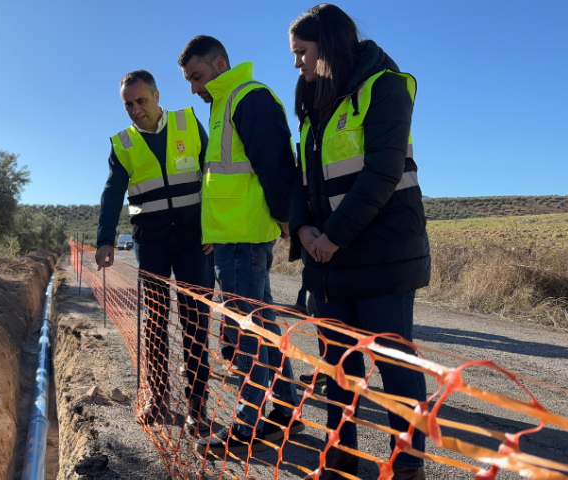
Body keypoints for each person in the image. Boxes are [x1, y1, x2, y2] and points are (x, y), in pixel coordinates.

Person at [288, 5, 430, 479]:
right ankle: (339, 458)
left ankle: (407, 465)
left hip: (382, 254)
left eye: (302, 53)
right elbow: (303, 181)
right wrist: (305, 229)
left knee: (396, 368)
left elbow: (383, 172)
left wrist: (332, 236)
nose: (297, 64)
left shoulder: (384, 87)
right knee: (336, 367)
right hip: (328, 259)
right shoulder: (314, 105)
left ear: (327, 45)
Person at [178, 35, 303, 457]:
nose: (194, 87)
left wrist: (286, 218)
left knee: (244, 329)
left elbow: (276, 163)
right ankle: (285, 406)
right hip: (232, 237)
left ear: (218, 63)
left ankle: (248, 421)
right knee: (262, 323)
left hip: (244, 237)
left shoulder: (249, 98)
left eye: (197, 76)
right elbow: (222, 180)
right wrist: (212, 233)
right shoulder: (223, 104)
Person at [94, 70, 213, 436]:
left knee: (196, 323)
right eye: (128, 104)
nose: (135, 110)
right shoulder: (122, 144)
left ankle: (197, 407)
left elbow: (213, 174)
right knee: (156, 322)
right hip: (153, 244)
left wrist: (215, 227)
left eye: (141, 101)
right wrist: (105, 239)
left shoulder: (188, 123)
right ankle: (158, 397)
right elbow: (113, 193)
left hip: (196, 240)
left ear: (158, 96)